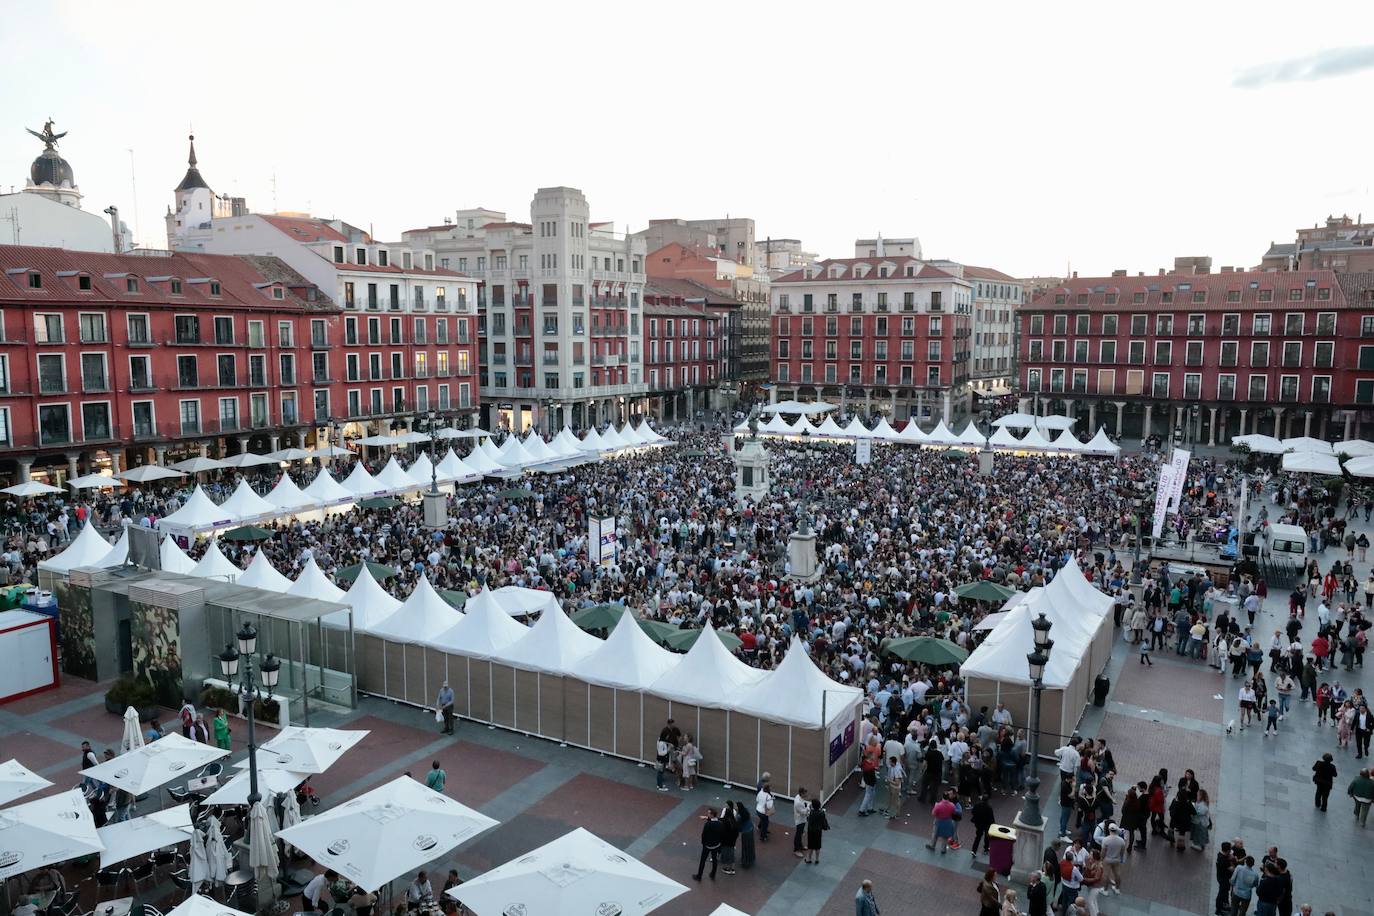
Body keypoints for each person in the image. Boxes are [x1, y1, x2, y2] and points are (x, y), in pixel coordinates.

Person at [693, 807, 723, 881]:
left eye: (709, 813)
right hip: (716, 845)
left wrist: (703, 843)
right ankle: (713, 874)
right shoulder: (720, 824)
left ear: (712, 815)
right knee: (714, 859)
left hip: (707, 845)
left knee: (703, 860)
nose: (708, 814)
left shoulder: (708, 824)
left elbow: (704, 835)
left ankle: (699, 876)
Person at [804, 798, 829, 864]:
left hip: (811, 831)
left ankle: (809, 859)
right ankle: (817, 859)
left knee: (810, 845)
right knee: (817, 845)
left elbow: (808, 820)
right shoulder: (822, 813)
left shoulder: (811, 813)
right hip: (818, 831)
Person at [719, 801, 739, 876]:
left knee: (726, 854)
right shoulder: (734, 822)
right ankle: (732, 868)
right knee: (731, 853)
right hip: (732, 841)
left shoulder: (724, 822)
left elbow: (719, 821)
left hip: (725, 841)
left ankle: (727, 868)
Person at [736, 800, 755, 868]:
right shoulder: (746, 811)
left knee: (745, 847)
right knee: (750, 845)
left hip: (745, 832)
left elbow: (737, 825)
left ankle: (745, 862)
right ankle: (751, 858)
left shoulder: (739, 816)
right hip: (750, 829)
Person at [755, 774, 774, 841]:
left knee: (763, 820)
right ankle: (763, 836)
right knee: (765, 823)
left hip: (758, 809)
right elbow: (769, 806)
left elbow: (757, 799)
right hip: (763, 811)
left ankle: (760, 827)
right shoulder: (768, 796)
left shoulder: (760, 793)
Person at [884, 755, 904, 819]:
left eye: (890, 762)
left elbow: (897, 783)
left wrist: (889, 780)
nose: (889, 763)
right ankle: (891, 811)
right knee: (893, 799)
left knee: (895, 801)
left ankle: (895, 814)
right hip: (892, 787)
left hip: (895, 788)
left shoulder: (896, 771)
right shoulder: (895, 766)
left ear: (893, 762)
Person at [793, 787, 810, 856]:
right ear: (802, 793)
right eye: (805, 793)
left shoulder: (798, 797)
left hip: (801, 819)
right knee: (798, 834)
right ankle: (796, 850)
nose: (806, 794)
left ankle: (800, 846)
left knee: (800, 833)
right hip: (800, 820)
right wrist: (808, 807)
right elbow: (804, 812)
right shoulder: (798, 802)